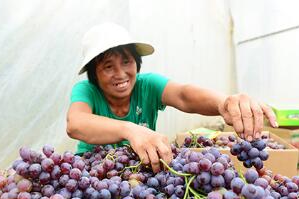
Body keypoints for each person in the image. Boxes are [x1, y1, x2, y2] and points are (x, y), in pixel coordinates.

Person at [66, 22, 278, 173]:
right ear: (94, 74)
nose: (121, 73)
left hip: (139, 170)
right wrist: (130, 129)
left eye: (127, 62)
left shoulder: (146, 84)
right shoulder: (86, 90)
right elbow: (75, 123)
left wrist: (223, 102)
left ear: (137, 63)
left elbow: (183, 95)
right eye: (108, 66)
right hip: (92, 172)